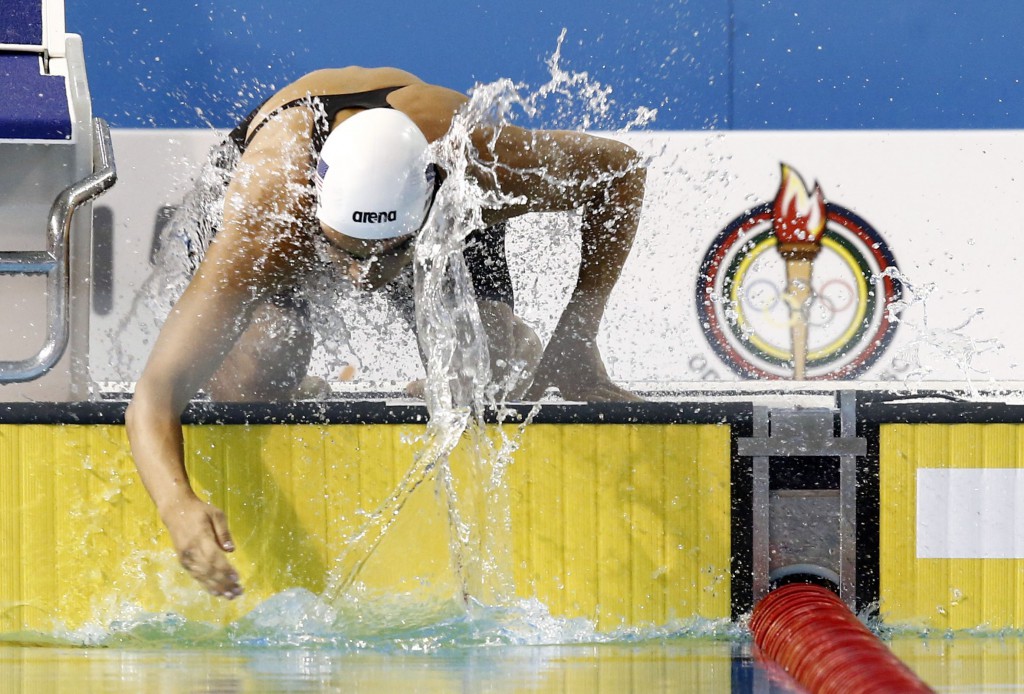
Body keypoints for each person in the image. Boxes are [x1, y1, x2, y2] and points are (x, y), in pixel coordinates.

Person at [124, 66, 647, 599]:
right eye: (347, 254)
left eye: (385, 256)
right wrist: (177, 505)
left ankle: (516, 338)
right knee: (258, 368)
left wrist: (576, 344)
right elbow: (154, 395)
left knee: (486, 371)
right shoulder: (269, 209)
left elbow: (622, 173)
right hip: (287, 176)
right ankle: (296, 357)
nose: (362, 277)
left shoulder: (479, 164)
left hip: (428, 177)